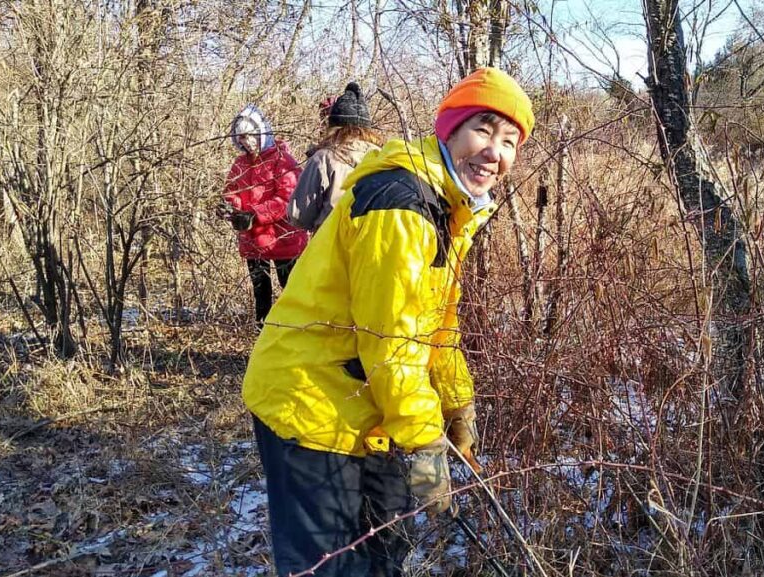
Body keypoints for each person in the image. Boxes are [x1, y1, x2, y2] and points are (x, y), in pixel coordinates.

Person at [241, 67, 534, 577]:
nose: (495, 152)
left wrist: (456, 404)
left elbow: (437, 326)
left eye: (510, 141)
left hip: (361, 404)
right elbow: (393, 341)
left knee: (385, 550)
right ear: (450, 130)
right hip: (309, 404)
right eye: (483, 130)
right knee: (329, 567)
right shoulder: (402, 205)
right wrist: (424, 439)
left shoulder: (447, 208)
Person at [221, 104, 308, 324]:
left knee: (292, 293)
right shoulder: (240, 163)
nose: (246, 142)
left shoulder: (284, 161)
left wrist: (254, 215)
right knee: (261, 295)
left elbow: (287, 199)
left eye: (250, 136)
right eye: (241, 138)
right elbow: (232, 192)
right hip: (253, 242)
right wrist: (230, 208)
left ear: (261, 132)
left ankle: (297, 333)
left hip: (284, 238)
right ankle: (262, 339)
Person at [288, 82, 382, 232]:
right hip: (371, 246)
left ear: (332, 127)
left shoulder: (324, 159)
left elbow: (299, 215)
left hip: (330, 246)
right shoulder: (384, 159)